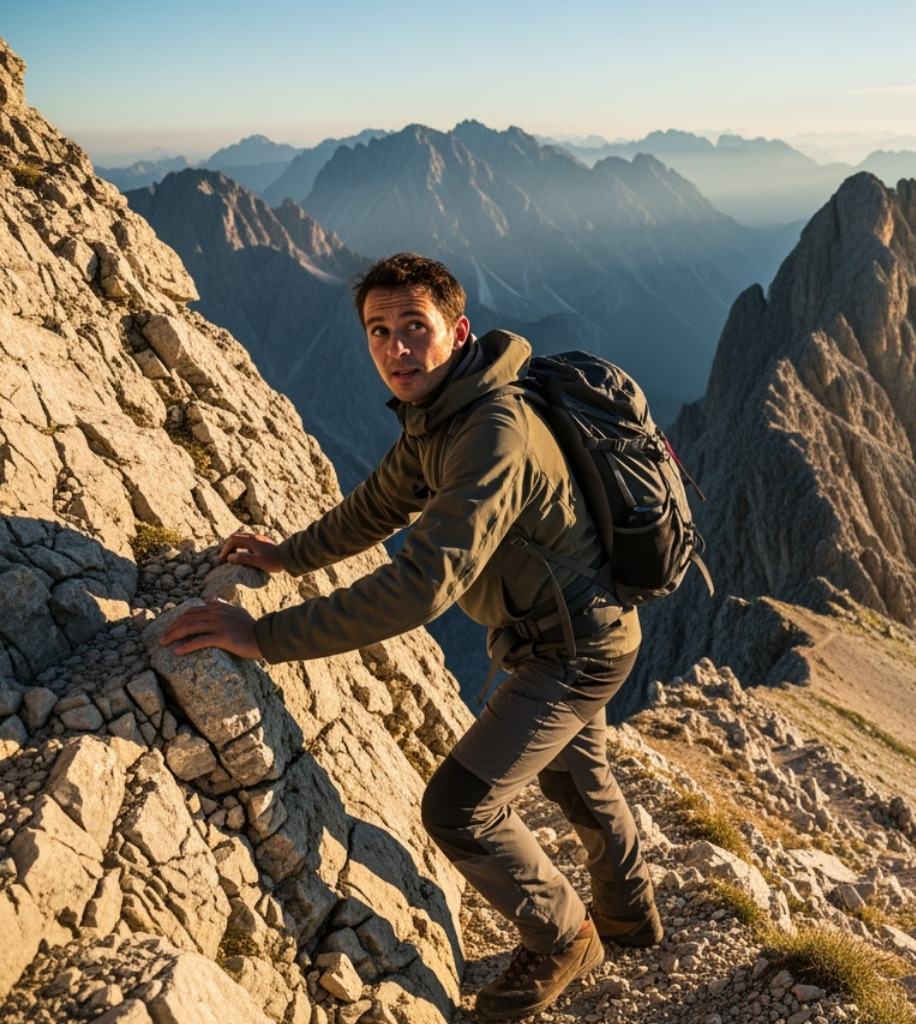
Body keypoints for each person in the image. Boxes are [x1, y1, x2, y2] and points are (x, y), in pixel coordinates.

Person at [159, 252, 662, 1022]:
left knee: (459, 808)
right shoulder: (444, 412)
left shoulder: (490, 432)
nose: (396, 348)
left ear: (457, 333)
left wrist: (261, 635)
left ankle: (566, 938)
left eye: (414, 328)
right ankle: (631, 918)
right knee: (572, 773)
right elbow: (379, 505)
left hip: (573, 650)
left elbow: (419, 587)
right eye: (379, 331)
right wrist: (286, 554)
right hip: (568, 632)